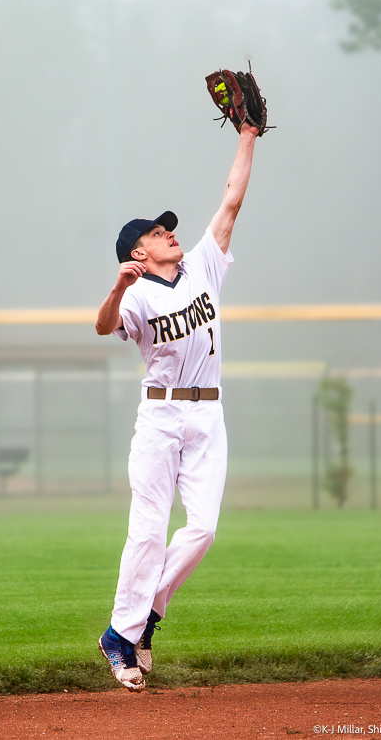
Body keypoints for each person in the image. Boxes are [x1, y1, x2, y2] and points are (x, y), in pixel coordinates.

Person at [95, 121, 259, 692]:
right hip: (161, 418)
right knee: (146, 531)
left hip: (207, 416)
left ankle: (137, 622)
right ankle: (123, 638)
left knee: (204, 529)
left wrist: (248, 135)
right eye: (158, 231)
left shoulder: (203, 267)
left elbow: (231, 201)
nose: (170, 232)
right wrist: (117, 286)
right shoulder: (135, 293)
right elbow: (103, 327)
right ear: (138, 251)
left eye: (169, 229)